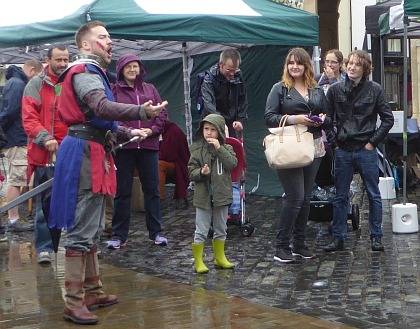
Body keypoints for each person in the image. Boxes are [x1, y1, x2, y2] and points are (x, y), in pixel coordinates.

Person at [47, 21, 167, 325]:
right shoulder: (86, 72)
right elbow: (100, 108)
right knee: (81, 228)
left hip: (93, 151)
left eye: (109, 37)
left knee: (94, 225)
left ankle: (93, 290)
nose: (109, 42)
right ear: (86, 45)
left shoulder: (93, 72)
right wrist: (141, 113)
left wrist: (129, 132)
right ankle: (73, 302)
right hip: (84, 155)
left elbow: (102, 122)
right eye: (103, 37)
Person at [264, 47, 332, 263]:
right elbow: (269, 117)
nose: (294, 66)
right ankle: (281, 246)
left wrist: (321, 119)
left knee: (304, 199)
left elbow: (328, 116)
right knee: (294, 197)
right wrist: (297, 119)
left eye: (299, 63)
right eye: (291, 63)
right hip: (291, 146)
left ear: (306, 66)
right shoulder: (280, 89)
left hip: (314, 145)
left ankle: (299, 244)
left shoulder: (316, 89)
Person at [324, 50, 394, 253]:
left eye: (357, 65)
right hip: (343, 148)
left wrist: (372, 142)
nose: (352, 67)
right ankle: (338, 236)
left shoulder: (375, 90)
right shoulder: (335, 90)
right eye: (350, 63)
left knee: (374, 194)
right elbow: (326, 120)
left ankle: (376, 236)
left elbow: (387, 118)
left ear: (365, 68)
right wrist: (334, 143)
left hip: (366, 148)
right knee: (340, 196)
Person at [107, 53, 168, 250]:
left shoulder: (150, 89)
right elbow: (112, 116)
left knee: (152, 190)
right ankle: (119, 235)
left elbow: (162, 113)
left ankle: (156, 232)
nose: (132, 70)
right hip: (126, 147)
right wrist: (129, 132)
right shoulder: (114, 90)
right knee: (122, 192)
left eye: (135, 66)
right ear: (121, 70)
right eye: (128, 67)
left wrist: (151, 130)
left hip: (148, 147)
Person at [22, 44, 69, 265]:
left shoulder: (72, 81)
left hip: (69, 151)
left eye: (65, 60)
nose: (62, 64)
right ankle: (44, 247)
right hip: (44, 154)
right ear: (47, 60)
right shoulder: (35, 84)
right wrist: (45, 138)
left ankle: (65, 245)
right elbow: (29, 117)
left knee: (71, 200)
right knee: (45, 202)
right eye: (58, 60)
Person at [188, 113, 237, 274]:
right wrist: (201, 173)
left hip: (221, 195)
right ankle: (199, 260)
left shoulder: (227, 148)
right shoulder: (196, 149)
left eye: (213, 130)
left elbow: (232, 163)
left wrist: (219, 147)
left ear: (220, 132)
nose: (208, 133)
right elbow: (191, 171)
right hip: (203, 196)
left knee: (221, 227)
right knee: (201, 229)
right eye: (206, 129)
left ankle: (220, 257)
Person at [0, 60, 43, 232]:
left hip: (15, 138)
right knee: (16, 179)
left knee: (16, 178)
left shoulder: (14, 83)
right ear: (32, 70)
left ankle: (13, 219)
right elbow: (10, 112)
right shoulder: (18, 84)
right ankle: (13, 220)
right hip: (16, 139)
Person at [201, 48, 248, 138]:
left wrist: (240, 120)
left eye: (235, 70)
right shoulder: (209, 79)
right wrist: (220, 122)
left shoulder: (238, 75)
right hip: (213, 123)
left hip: (232, 123)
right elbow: (209, 104)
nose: (232, 73)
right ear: (220, 64)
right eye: (229, 70)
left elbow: (243, 98)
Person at [158, 119, 190, 207]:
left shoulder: (173, 132)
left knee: (158, 165)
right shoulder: (165, 131)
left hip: (178, 164)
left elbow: (168, 155)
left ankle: (157, 198)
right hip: (168, 160)